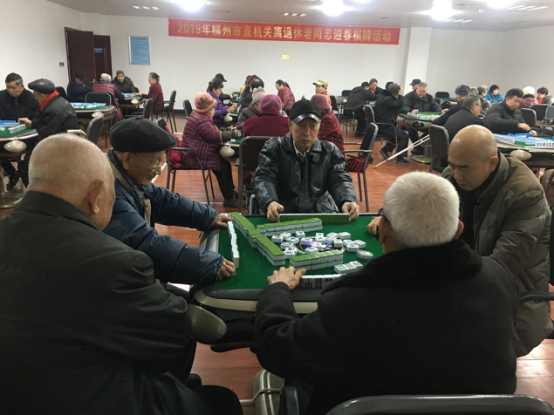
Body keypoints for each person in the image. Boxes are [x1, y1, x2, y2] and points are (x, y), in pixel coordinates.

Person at [0, 134, 243, 415]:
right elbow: (173, 332)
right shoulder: (115, 263)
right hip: (95, 398)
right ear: (95, 196)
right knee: (224, 403)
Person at [255, 172, 520, 415]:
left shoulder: (348, 306)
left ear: (382, 231)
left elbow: (275, 348)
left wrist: (277, 290)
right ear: (458, 230)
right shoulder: (498, 279)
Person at [442, 125, 552, 356]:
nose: (456, 174)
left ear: (491, 164)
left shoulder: (525, 193)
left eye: (464, 168)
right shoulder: (455, 174)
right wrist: (391, 218)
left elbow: (502, 267)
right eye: (451, 165)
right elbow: (426, 204)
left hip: (512, 295)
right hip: (467, 274)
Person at [103, 117, 236, 284]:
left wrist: (208, 217)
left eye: (161, 161)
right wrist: (206, 263)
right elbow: (143, 243)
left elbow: (164, 200)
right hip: (114, 284)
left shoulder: (128, 177)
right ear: (128, 160)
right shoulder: (108, 193)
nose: (159, 171)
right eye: (155, 163)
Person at [253, 99, 358, 222]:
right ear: (290, 124)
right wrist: (270, 201)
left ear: (319, 125)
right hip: (282, 213)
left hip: (321, 214)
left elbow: (340, 179)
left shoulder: (329, 151)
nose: (307, 133)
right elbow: (264, 178)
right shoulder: (274, 148)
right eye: (301, 126)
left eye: (313, 126)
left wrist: (347, 199)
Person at [181, 92, 239, 208]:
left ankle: (230, 193)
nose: (213, 111)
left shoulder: (198, 115)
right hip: (194, 155)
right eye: (212, 108)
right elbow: (214, 136)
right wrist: (234, 134)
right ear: (207, 109)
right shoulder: (201, 120)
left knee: (225, 165)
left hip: (196, 150)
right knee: (222, 168)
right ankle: (229, 198)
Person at [0, 72, 40, 189]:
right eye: (8, 87)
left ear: (22, 86)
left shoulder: (32, 98)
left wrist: (29, 121)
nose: (10, 90)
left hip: (26, 136)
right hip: (4, 135)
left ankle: (23, 175)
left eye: (14, 87)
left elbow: (38, 118)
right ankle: (12, 173)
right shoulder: (1, 96)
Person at [19, 78, 79, 142]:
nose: (35, 98)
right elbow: (44, 122)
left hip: (63, 144)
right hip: (68, 140)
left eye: (35, 95)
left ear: (42, 96)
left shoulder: (52, 110)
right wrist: (31, 122)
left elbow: (46, 138)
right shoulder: (58, 100)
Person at [374, 83, 410, 165]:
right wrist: (400, 95)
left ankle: (385, 149)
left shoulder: (384, 97)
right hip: (385, 126)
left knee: (400, 133)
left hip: (381, 124)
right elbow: (399, 104)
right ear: (396, 92)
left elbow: (396, 108)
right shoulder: (388, 100)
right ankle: (399, 158)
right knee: (404, 135)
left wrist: (410, 111)